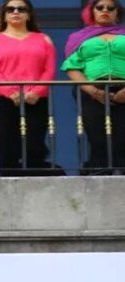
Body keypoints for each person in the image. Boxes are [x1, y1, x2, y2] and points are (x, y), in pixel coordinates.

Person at [0, 0, 56, 174]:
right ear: (4, 15)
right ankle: (9, 178)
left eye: (21, 9)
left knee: (34, 143)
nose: (16, 12)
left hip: (36, 99)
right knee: (6, 143)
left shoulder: (43, 39)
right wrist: (9, 92)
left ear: (29, 15)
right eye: (10, 9)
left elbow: (49, 70)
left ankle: (35, 180)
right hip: (2, 99)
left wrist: (36, 92)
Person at [61, 0, 125, 174]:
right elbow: (71, 66)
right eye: (100, 7)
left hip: (123, 86)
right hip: (92, 90)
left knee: (123, 134)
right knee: (96, 132)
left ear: (117, 13)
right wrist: (92, 90)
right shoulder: (79, 37)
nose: (105, 10)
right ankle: (100, 170)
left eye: (110, 8)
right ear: (92, 12)